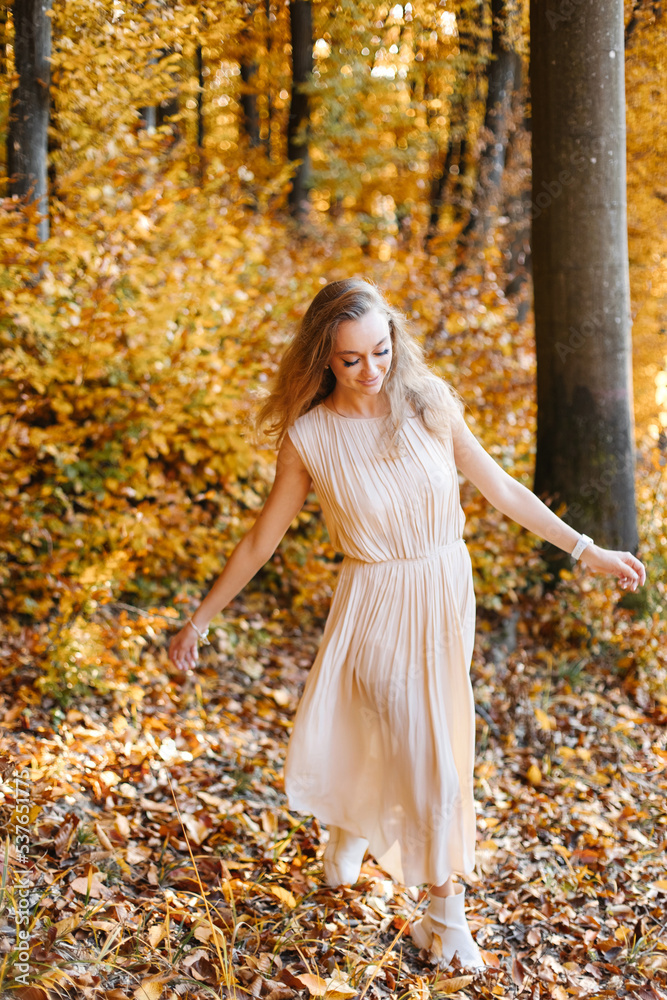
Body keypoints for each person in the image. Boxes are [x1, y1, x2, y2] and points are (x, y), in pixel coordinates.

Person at [168, 278, 647, 971]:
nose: (370, 372)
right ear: (323, 360)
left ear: (395, 340)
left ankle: (347, 825)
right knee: (430, 756)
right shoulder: (309, 438)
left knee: (425, 737)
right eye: (351, 360)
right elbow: (258, 542)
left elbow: (503, 488)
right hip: (374, 602)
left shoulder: (427, 404)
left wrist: (586, 550)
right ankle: (443, 920)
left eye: (380, 351)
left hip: (445, 589)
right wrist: (201, 620)